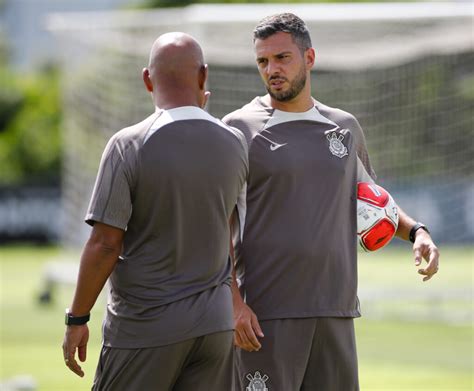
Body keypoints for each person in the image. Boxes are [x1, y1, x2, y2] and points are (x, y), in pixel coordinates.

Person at [223, 13, 440, 391]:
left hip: (336, 310)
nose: (272, 69)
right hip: (265, 315)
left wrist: (418, 231)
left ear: (309, 58)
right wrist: (234, 303)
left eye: (282, 58)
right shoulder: (238, 129)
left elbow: (374, 199)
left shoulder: (344, 127)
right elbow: (217, 224)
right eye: (263, 61)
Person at [61, 32, 248, 390]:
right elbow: (224, 223)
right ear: (203, 76)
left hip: (146, 327)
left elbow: (104, 244)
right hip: (215, 327)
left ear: (147, 79)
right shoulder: (234, 143)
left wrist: (77, 318)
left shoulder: (128, 145)